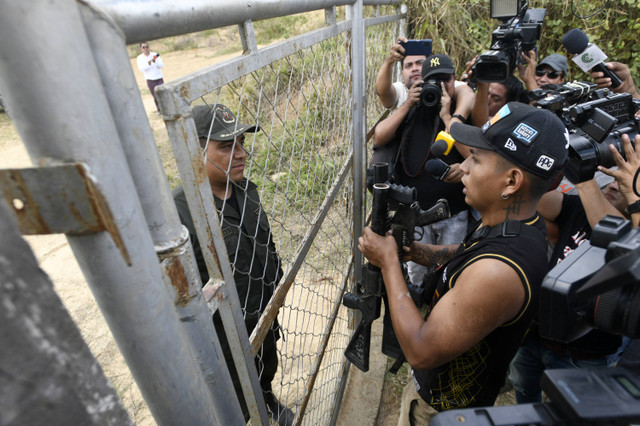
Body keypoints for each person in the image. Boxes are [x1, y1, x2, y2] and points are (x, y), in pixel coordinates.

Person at [359, 102, 568, 423]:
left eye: (476, 159)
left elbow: (421, 351)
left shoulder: (498, 272)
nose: (463, 167)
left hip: (441, 413)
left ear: (512, 181)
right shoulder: (516, 224)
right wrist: (417, 252)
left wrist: (388, 264)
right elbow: (469, 253)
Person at [173, 104, 293, 426]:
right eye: (227, 146)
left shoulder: (246, 191)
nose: (241, 154)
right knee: (232, 398)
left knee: (266, 365)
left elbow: (266, 247)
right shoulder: (181, 215)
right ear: (195, 151)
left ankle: (265, 397)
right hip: (222, 334)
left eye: (241, 143)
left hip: (262, 312)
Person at [508, 176, 627, 403]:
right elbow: (535, 198)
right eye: (612, 177)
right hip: (535, 339)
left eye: (623, 181)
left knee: (571, 414)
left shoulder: (633, 235)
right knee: (524, 395)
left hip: (585, 356)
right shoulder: (579, 208)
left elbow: (617, 238)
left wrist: (585, 179)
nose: (612, 184)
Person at [373, 53, 475, 288]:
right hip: (415, 215)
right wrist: (409, 103)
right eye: (433, 80)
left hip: (453, 214)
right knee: (417, 276)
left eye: (445, 80)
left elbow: (471, 154)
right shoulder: (411, 107)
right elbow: (379, 136)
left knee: (452, 275)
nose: (440, 87)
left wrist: (448, 115)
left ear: (455, 80)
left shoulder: (460, 112)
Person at [136, 42, 165, 112]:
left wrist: (155, 62)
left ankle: (166, 108)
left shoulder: (155, 55)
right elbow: (141, 69)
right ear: (141, 49)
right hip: (150, 79)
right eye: (143, 47)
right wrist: (149, 63)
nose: (145, 48)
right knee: (155, 95)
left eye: (146, 47)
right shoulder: (140, 58)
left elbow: (162, 65)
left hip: (159, 77)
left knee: (163, 94)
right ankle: (159, 110)